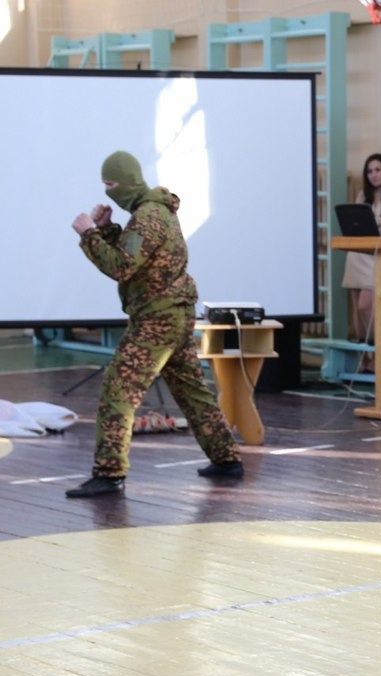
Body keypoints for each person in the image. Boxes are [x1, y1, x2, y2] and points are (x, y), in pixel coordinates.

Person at [66, 150, 243, 498]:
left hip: (157, 319)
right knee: (192, 392)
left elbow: (122, 266)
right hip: (174, 314)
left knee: (119, 389)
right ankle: (226, 458)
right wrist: (107, 229)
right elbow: (140, 257)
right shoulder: (153, 211)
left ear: (129, 180)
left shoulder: (148, 216)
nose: (108, 192)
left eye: (111, 184)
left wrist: (88, 234)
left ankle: (109, 473)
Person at [341, 153, 381, 342]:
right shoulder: (362, 195)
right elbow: (357, 225)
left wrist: (379, 225)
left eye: (378, 170)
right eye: (369, 171)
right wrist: (379, 222)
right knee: (357, 312)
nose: (373, 175)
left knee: (366, 305)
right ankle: (365, 360)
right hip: (357, 254)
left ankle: (378, 351)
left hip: (377, 256)